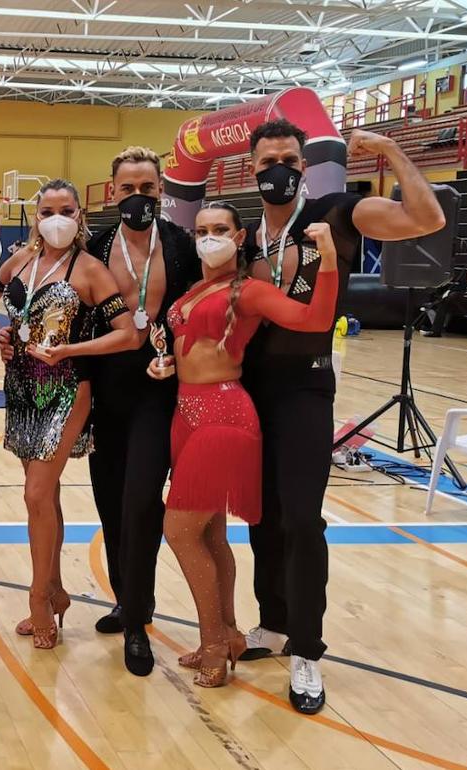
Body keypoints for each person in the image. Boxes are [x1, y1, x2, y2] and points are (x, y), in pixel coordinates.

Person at [241, 120, 445, 713]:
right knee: (263, 516)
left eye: (288, 158)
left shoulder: (337, 213)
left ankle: (306, 649)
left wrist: (392, 151)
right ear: (252, 171)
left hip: (306, 389)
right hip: (251, 389)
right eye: (267, 161)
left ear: (303, 166)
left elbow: (427, 219)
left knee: (303, 520)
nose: (278, 169)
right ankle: (273, 622)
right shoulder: (245, 236)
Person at [147, 203, 338, 687]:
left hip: (223, 414)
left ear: (239, 236)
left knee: (179, 531)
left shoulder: (248, 289)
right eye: (201, 231)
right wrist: (165, 364)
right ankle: (228, 633)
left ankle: (214, 643)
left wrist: (329, 260)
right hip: (186, 413)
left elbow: (315, 319)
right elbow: (187, 345)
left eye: (220, 230)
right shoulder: (195, 290)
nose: (209, 238)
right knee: (210, 535)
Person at [0, 179, 137, 650]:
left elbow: (128, 334)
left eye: (66, 210)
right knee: (46, 497)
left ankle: (38, 599)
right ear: (36, 216)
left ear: (79, 215)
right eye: (47, 211)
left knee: (35, 494)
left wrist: (71, 349)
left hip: (68, 389)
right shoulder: (19, 261)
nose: (56, 219)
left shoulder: (90, 270)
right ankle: (56, 589)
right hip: (21, 387)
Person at [86, 146, 200, 675]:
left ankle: (136, 623)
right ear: (113, 192)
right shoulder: (93, 247)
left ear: (161, 191)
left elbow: (198, 312)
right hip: (104, 389)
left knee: (140, 503)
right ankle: (128, 599)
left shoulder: (181, 245)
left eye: (147, 188)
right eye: (128, 188)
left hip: (158, 389)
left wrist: (179, 357)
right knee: (110, 504)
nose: (138, 197)